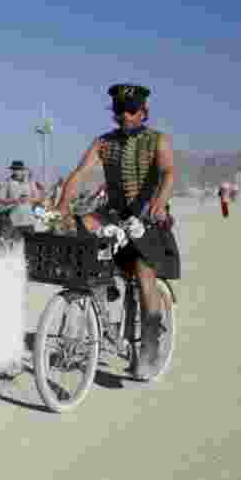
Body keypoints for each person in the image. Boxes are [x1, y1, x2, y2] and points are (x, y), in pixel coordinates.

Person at [53, 83, 181, 379]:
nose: (125, 115)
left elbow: (169, 173)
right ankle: (87, 319)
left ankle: (150, 347)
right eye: (120, 110)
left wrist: (159, 204)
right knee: (80, 232)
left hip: (146, 217)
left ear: (144, 112)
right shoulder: (103, 143)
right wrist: (61, 205)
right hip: (114, 214)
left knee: (143, 270)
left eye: (131, 110)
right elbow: (79, 174)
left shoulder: (158, 140)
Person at [0, 160, 37, 235]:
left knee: (29, 242)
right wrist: (14, 200)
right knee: (14, 243)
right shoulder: (7, 182)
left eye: (19, 169)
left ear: (23, 170)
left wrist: (29, 200)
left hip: (28, 220)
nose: (16, 171)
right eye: (14, 169)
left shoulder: (30, 182)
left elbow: (37, 198)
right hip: (13, 220)